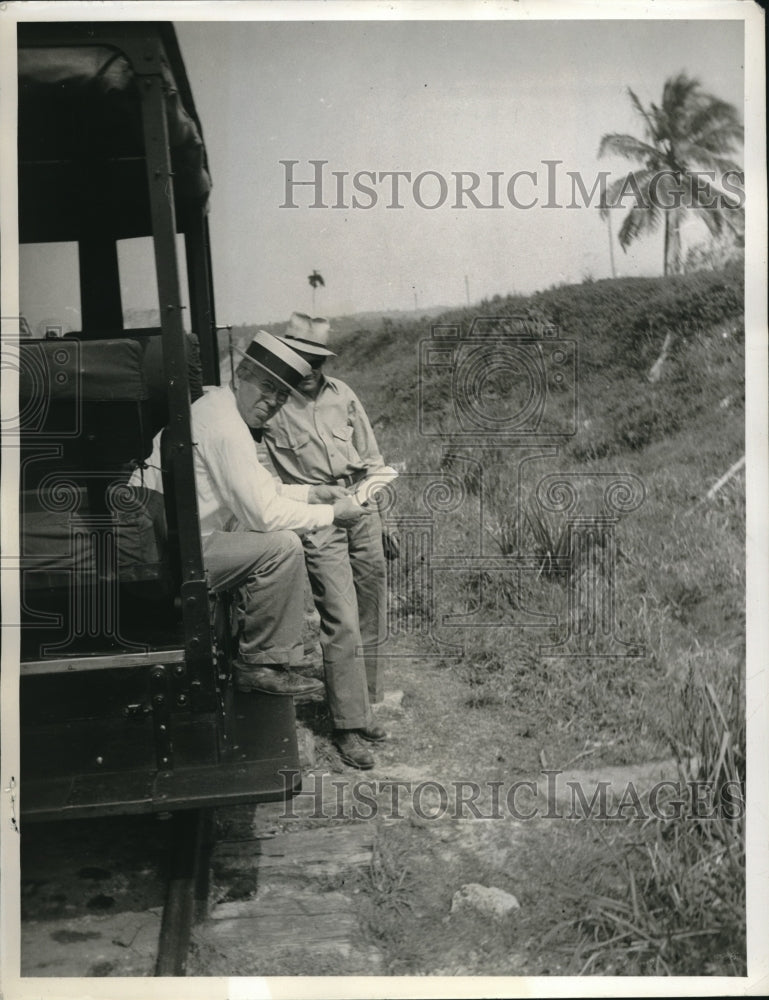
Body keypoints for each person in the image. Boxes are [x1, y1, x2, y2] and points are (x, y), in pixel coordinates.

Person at [129, 329, 370, 699]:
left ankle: (258, 647)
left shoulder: (219, 408)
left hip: (169, 532)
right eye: (266, 387)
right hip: (164, 548)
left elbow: (259, 488)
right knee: (282, 547)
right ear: (240, 376)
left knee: (268, 534)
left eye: (281, 394)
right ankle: (260, 664)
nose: (272, 401)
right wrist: (331, 514)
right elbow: (263, 514)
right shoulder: (227, 428)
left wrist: (312, 493)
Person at [262, 312, 393, 770]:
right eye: (303, 355)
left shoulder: (345, 395)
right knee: (342, 619)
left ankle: (365, 706)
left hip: (363, 509)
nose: (312, 365)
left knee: (371, 607)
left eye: (320, 357)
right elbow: (265, 478)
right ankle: (348, 727)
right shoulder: (272, 405)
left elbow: (373, 459)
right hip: (319, 519)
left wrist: (386, 520)